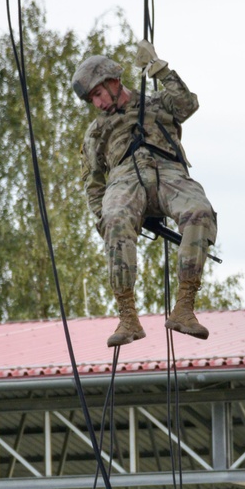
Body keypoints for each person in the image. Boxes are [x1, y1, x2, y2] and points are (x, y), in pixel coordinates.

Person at [72, 42, 218, 348]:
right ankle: (128, 317)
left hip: (169, 171)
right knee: (115, 217)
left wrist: (160, 69)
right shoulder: (96, 132)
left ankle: (185, 308)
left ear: (113, 82)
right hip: (124, 178)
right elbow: (95, 182)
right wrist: (103, 221)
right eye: (91, 99)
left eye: (98, 94)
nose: (97, 103)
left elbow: (187, 105)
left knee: (199, 211)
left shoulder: (157, 104)